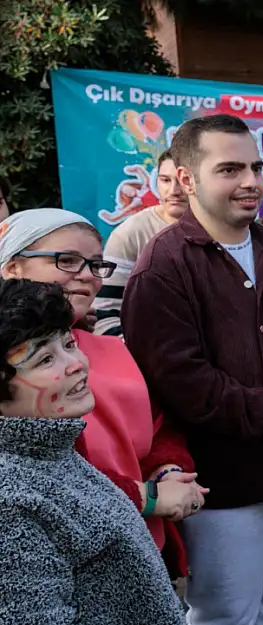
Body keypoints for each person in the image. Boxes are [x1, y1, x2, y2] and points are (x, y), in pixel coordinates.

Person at [121, 114, 263, 625]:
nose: (252, 182)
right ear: (188, 179)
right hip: (221, 481)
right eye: (230, 169)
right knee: (225, 614)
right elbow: (181, 382)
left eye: (257, 167)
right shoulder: (162, 267)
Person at [0, 208, 203, 579]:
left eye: (95, 265)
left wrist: (168, 469)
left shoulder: (111, 348)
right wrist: (146, 497)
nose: (86, 275)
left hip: (140, 548)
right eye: (67, 260)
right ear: (12, 266)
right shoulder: (10, 370)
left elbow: (158, 425)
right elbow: (44, 480)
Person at [0, 279, 186, 625]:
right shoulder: (11, 504)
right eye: (44, 359)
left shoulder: (52, 449)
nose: (76, 364)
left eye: (69, 343)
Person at [93, 149, 190, 336]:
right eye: (165, 180)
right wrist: (139, 355)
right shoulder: (130, 233)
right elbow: (105, 311)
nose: (174, 191)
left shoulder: (226, 230)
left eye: (183, 181)